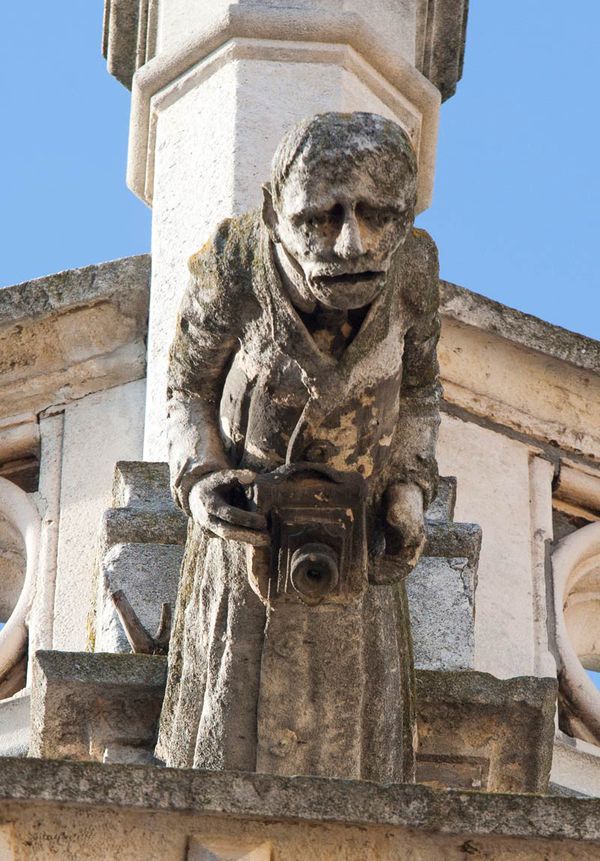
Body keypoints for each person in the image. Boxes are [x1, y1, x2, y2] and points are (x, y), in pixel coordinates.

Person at [156, 112, 440, 782]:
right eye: (321, 216)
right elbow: (185, 388)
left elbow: (422, 396)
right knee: (224, 762)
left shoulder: (416, 271)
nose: (352, 243)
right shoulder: (233, 264)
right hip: (250, 538)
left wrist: (407, 488)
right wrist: (200, 481)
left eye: (379, 215)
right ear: (272, 211)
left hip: (357, 541)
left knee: (357, 762)